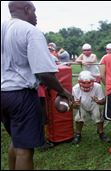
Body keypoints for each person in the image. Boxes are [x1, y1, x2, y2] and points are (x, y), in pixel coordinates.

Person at [1, 1, 73, 169]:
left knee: (17, 141)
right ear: (27, 10)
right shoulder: (30, 31)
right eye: (34, 11)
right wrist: (63, 92)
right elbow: (44, 73)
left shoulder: (3, 28)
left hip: (3, 93)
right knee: (25, 149)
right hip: (21, 94)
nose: (36, 15)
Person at [71, 70, 111, 145]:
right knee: (79, 117)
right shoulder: (75, 89)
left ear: (93, 81)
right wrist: (76, 104)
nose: (86, 85)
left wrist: (98, 101)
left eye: (89, 83)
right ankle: (78, 134)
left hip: (94, 104)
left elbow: (103, 101)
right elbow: (74, 106)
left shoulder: (97, 86)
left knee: (98, 116)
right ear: (79, 82)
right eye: (83, 83)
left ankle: (101, 133)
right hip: (82, 105)